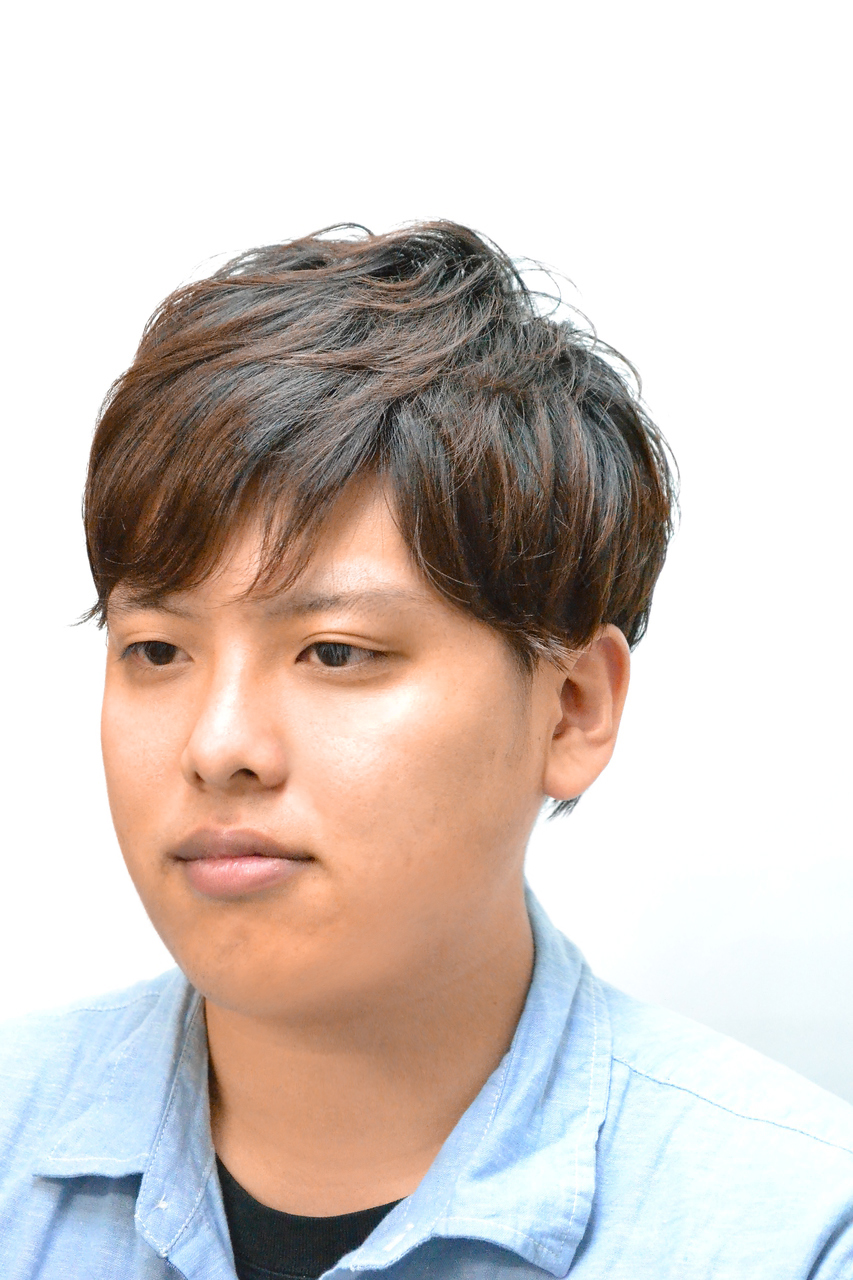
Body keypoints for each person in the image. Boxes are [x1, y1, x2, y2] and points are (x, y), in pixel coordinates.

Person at [1, 222, 850, 1280]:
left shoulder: (798, 1234)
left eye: (335, 651)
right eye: (157, 650)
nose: (218, 746)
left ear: (571, 709)